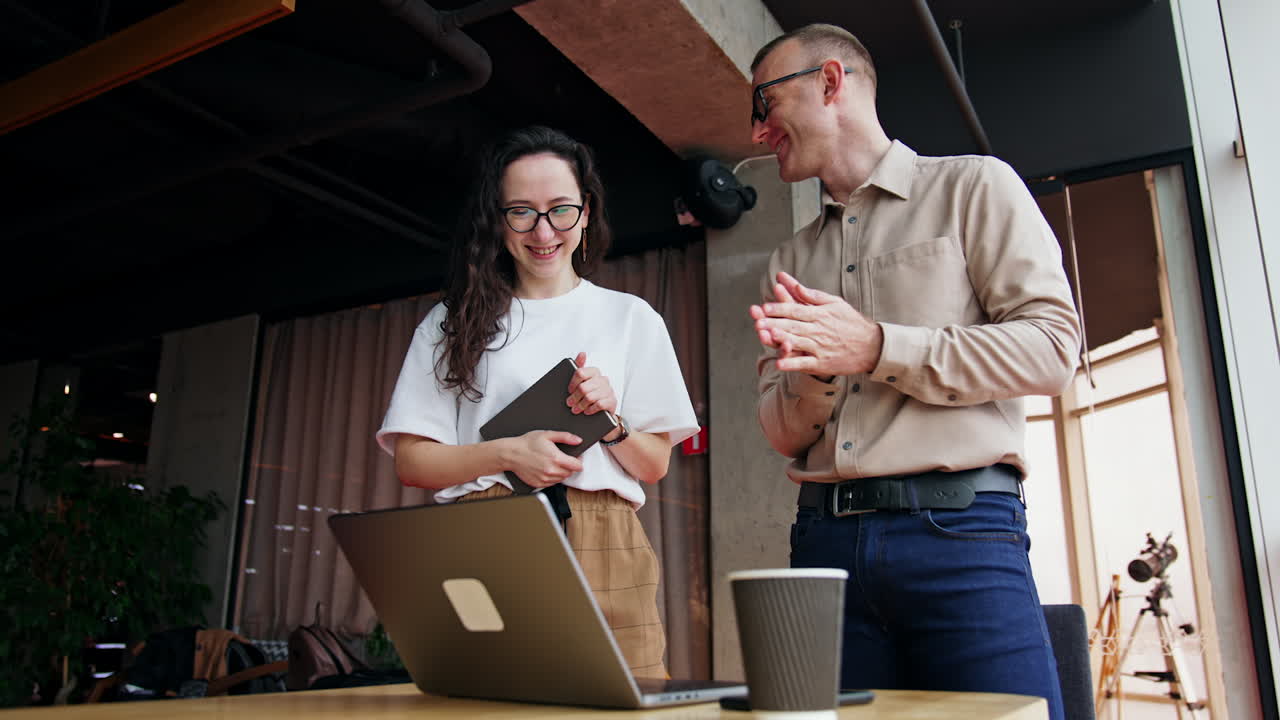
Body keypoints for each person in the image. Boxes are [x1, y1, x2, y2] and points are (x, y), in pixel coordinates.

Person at [746, 24, 1080, 720]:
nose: (757, 133)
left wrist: (874, 347)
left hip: (961, 537)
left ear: (830, 82)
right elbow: (782, 432)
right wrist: (815, 373)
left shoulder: (973, 188)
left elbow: (1052, 349)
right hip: (822, 546)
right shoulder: (786, 261)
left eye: (764, 103)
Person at [376, 126, 698, 679]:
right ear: (497, 220)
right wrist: (507, 454)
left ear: (586, 211)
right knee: (490, 699)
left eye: (560, 210)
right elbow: (413, 461)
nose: (543, 230)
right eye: (521, 211)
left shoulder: (631, 317)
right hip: (489, 526)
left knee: (625, 700)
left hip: (606, 534)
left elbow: (655, 464)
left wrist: (613, 423)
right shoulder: (451, 322)